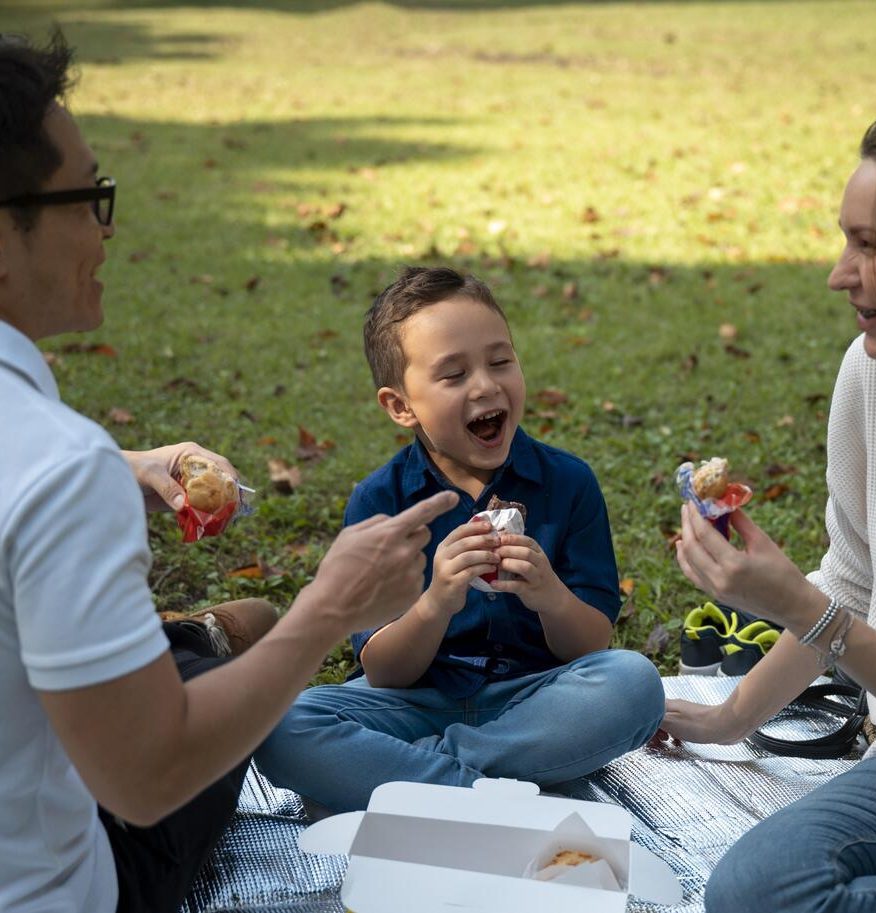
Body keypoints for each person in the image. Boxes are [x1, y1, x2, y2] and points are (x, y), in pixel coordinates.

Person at [0, 31, 457, 913]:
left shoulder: (56, 462)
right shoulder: (58, 469)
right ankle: (205, 643)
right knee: (219, 708)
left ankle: (196, 638)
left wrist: (133, 464)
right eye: (87, 196)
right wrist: (328, 608)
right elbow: (146, 776)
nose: (109, 223)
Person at [664, 107, 876, 912]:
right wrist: (729, 718)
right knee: (761, 886)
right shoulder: (874, 370)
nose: (839, 272)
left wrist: (806, 610)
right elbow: (852, 580)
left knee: (761, 893)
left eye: (871, 246)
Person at [255, 266, 665, 814]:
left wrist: (548, 595)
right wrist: (436, 603)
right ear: (401, 406)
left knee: (634, 682)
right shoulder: (380, 504)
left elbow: (591, 645)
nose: (486, 385)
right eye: (453, 375)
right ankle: (493, 793)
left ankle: (421, 777)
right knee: (282, 723)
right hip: (411, 703)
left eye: (501, 361)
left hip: (532, 700)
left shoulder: (568, 484)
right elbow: (383, 671)